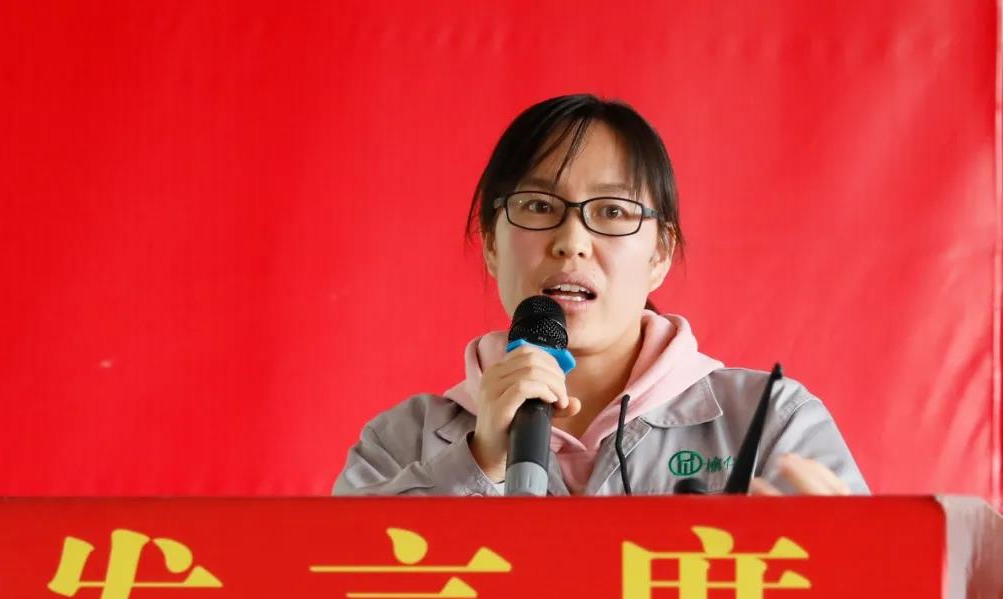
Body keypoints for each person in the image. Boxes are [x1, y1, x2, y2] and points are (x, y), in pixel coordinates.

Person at [333, 94, 868, 497]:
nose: (571, 242)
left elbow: (875, 598)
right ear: (492, 246)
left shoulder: (770, 422)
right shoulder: (401, 442)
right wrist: (479, 462)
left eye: (612, 211)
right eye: (539, 207)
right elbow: (346, 597)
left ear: (660, 254)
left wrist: (837, 561)